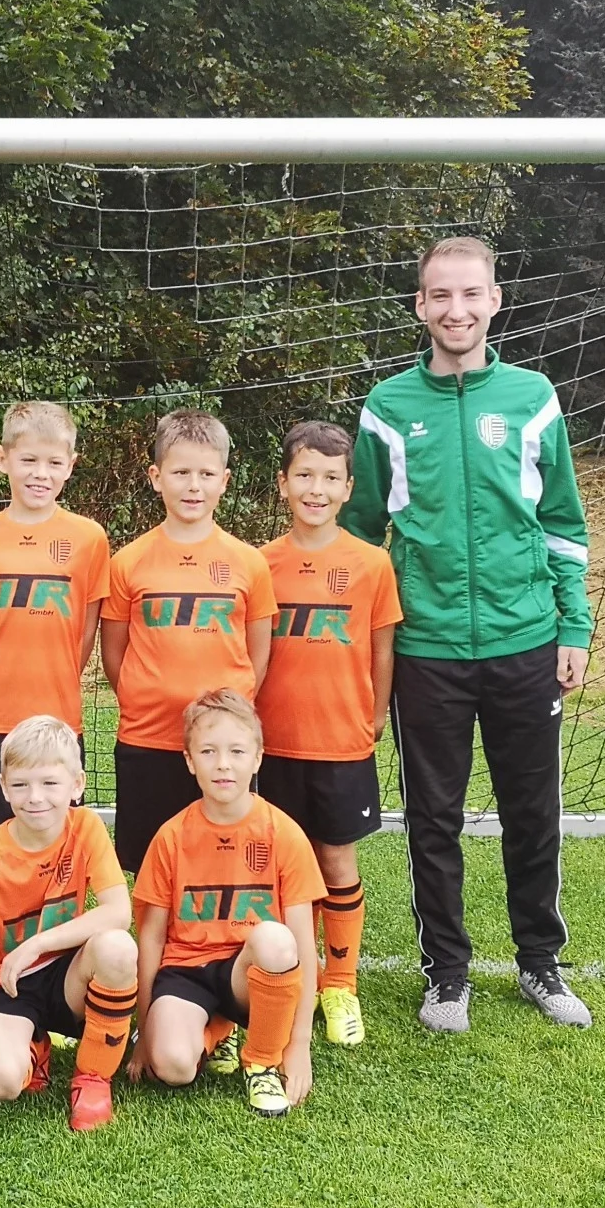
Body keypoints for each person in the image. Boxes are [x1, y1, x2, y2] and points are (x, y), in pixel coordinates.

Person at [344, 235, 596, 1034]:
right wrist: (354, 641)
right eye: (441, 296)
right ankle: (446, 974)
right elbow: (359, 536)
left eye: (471, 294)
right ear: (420, 306)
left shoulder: (533, 398)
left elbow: (562, 522)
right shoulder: (388, 407)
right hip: (427, 649)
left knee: (534, 813)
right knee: (433, 819)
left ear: (494, 300)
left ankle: (540, 963)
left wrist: (574, 622)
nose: (457, 310)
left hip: (527, 641)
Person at [253, 420, 401, 1048]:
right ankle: (294, 972)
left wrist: (375, 713)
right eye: (305, 476)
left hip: (340, 739)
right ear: (283, 484)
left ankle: (340, 984)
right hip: (272, 744)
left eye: (330, 478)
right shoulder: (260, 563)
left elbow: (382, 646)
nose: (316, 489)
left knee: (336, 858)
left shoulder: (372, 563)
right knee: (279, 867)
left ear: (348, 489)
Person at [128, 690, 322, 1118]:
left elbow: (304, 948)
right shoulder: (171, 837)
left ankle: (262, 1062)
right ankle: (216, 1029)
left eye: (237, 751)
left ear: (257, 758)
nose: (223, 764)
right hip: (186, 971)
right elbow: (151, 940)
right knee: (173, 1067)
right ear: (189, 760)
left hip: (247, 974)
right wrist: (144, 1032)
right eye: (208, 751)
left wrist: (299, 1045)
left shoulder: (283, 834)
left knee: (276, 940)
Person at [101, 409, 276, 873]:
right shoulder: (128, 561)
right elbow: (114, 653)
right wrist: (145, 696)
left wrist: (228, 711)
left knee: (221, 865)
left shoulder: (248, 562)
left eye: (206, 474)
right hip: (147, 739)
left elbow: (258, 653)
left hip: (223, 745)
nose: (193, 486)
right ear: (156, 477)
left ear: (225, 480)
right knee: (148, 864)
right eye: (180, 473)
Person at [0, 714, 138, 1132]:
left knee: (117, 948)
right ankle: (33, 1046)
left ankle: (93, 1078)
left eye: (50, 782)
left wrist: (36, 944)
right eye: (21, 785)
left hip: (67, 977)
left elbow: (118, 912)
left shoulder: (86, 827)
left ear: (77, 784)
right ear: (3, 787)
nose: (35, 797)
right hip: (7, 986)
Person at [0, 402, 109, 833]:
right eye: (29, 460)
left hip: (57, 715)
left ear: (70, 465)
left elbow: (85, 631)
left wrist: (54, 678)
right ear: (3, 459)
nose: (41, 474)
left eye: (54, 463)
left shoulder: (89, 538)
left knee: (56, 834)